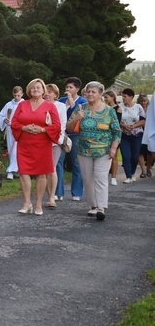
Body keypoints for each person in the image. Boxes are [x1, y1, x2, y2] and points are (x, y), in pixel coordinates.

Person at [66, 81, 121, 220]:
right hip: (84, 150)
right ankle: (93, 205)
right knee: (88, 179)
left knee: (101, 178)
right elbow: (69, 128)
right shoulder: (80, 108)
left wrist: (114, 148)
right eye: (88, 91)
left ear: (100, 94)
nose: (90, 94)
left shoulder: (109, 111)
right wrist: (77, 119)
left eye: (93, 92)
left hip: (104, 150)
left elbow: (117, 131)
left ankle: (101, 207)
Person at [11, 78, 61, 215]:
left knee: (41, 173)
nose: (35, 90)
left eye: (38, 87)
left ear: (43, 90)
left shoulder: (50, 106)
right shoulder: (22, 105)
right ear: (28, 90)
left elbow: (57, 126)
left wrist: (43, 130)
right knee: (23, 172)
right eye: (33, 87)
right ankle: (27, 202)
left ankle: (38, 203)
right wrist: (24, 128)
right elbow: (14, 122)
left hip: (42, 144)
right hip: (25, 144)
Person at [58, 77, 87, 201]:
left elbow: (79, 115)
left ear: (77, 89)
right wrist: (66, 102)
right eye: (67, 87)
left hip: (76, 134)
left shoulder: (83, 101)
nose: (68, 90)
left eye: (71, 87)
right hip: (62, 134)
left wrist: (71, 101)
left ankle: (77, 193)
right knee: (59, 162)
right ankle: (58, 192)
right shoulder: (61, 100)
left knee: (76, 163)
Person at [44, 83, 67, 206]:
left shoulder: (60, 106)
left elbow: (62, 124)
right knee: (43, 170)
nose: (47, 94)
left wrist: (58, 140)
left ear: (56, 94)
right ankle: (48, 196)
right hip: (40, 141)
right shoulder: (39, 105)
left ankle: (52, 197)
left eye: (50, 92)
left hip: (54, 142)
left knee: (51, 168)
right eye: (45, 91)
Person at [118, 88, 145, 184]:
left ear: (131, 97)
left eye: (125, 96)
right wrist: (124, 126)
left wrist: (133, 126)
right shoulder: (119, 107)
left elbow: (142, 120)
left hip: (137, 134)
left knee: (134, 156)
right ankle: (128, 176)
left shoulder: (138, 107)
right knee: (126, 155)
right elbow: (116, 120)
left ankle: (132, 173)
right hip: (124, 135)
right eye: (122, 96)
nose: (123, 98)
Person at [0, 86, 24, 180]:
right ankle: (11, 171)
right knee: (12, 150)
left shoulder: (25, 104)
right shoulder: (8, 105)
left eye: (18, 95)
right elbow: (1, 115)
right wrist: (4, 120)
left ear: (22, 94)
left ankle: (18, 170)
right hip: (10, 129)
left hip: (21, 130)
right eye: (15, 95)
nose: (17, 97)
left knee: (19, 150)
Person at [103, 90, 123, 185]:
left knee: (114, 156)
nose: (105, 99)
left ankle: (113, 177)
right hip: (104, 135)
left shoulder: (118, 109)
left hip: (113, 134)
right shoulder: (104, 108)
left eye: (106, 97)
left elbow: (117, 124)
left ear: (112, 97)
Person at [136, 94, 153, 178]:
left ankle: (149, 167)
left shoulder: (151, 109)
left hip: (149, 132)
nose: (143, 103)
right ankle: (143, 170)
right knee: (140, 151)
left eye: (144, 101)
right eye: (141, 101)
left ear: (147, 101)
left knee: (150, 151)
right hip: (140, 132)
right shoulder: (137, 109)